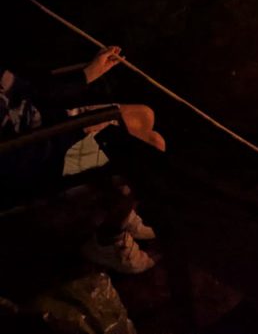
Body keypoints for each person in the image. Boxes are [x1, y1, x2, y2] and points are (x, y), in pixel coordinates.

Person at [1, 46, 163, 274]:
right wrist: (74, 132)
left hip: (51, 125)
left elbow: (31, 91)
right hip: (43, 157)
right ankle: (107, 239)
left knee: (144, 115)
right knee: (151, 147)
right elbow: (13, 161)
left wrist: (88, 74)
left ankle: (123, 209)